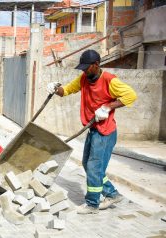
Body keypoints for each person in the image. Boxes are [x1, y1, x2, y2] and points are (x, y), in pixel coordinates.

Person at [47, 49, 137, 214]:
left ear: (96, 65)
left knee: (94, 167)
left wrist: (108, 107)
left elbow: (131, 96)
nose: (84, 71)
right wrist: (55, 88)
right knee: (88, 165)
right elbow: (66, 90)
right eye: (82, 68)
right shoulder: (84, 78)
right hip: (93, 129)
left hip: (105, 132)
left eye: (86, 67)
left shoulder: (110, 81)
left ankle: (92, 204)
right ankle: (112, 194)